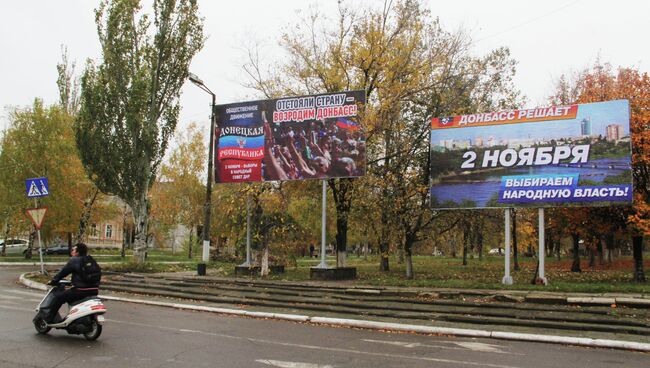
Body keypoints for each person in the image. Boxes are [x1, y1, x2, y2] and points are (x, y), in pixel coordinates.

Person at [45, 243, 100, 323]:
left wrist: (53, 281)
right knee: (70, 297)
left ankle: (49, 318)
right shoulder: (91, 260)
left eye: (73, 250)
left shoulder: (75, 260)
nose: (72, 252)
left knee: (58, 297)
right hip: (94, 290)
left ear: (77, 252)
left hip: (81, 290)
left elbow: (63, 273)